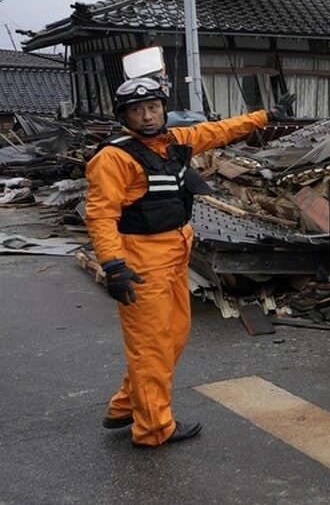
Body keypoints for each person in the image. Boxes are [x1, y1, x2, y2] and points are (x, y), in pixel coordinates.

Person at [86, 76, 292, 446]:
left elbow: (220, 130)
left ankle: (127, 405)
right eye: (137, 110)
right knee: (151, 346)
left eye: (153, 107)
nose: (147, 116)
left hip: (176, 253)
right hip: (142, 261)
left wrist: (265, 117)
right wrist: (113, 265)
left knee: (175, 336)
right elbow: (101, 215)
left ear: (163, 109)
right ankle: (153, 428)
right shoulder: (113, 158)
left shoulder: (174, 142)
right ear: (124, 116)